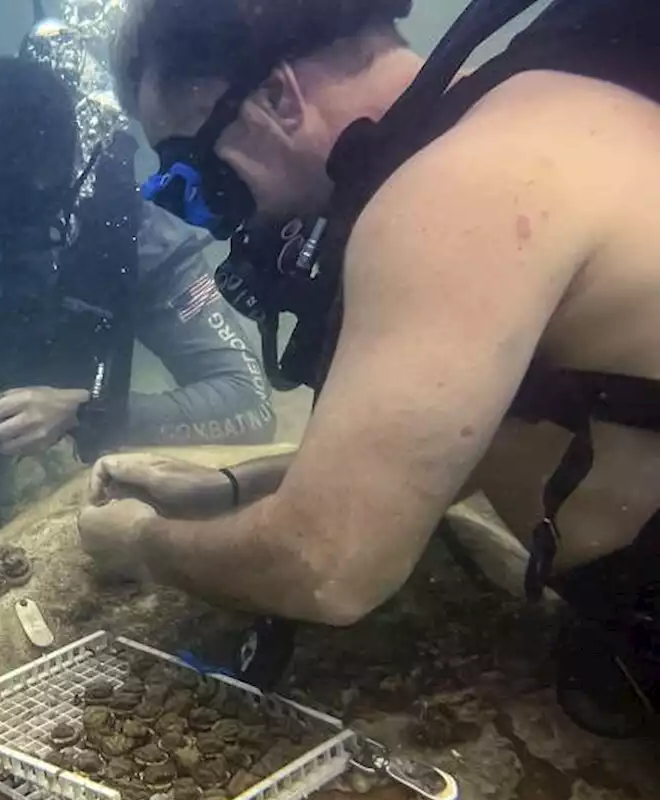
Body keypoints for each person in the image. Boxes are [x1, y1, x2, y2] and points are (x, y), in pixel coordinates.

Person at [79, 0, 660, 736]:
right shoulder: (530, 114)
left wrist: (139, 543)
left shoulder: (455, 193)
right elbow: (446, 448)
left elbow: (328, 564)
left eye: (194, 174)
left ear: (278, 98)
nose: (217, 219)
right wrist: (221, 488)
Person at [0, 56, 276, 575]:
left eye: (31, 225)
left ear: (76, 172)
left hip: (87, 456)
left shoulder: (136, 234)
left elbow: (247, 400)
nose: (7, 253)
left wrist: (89, 412)